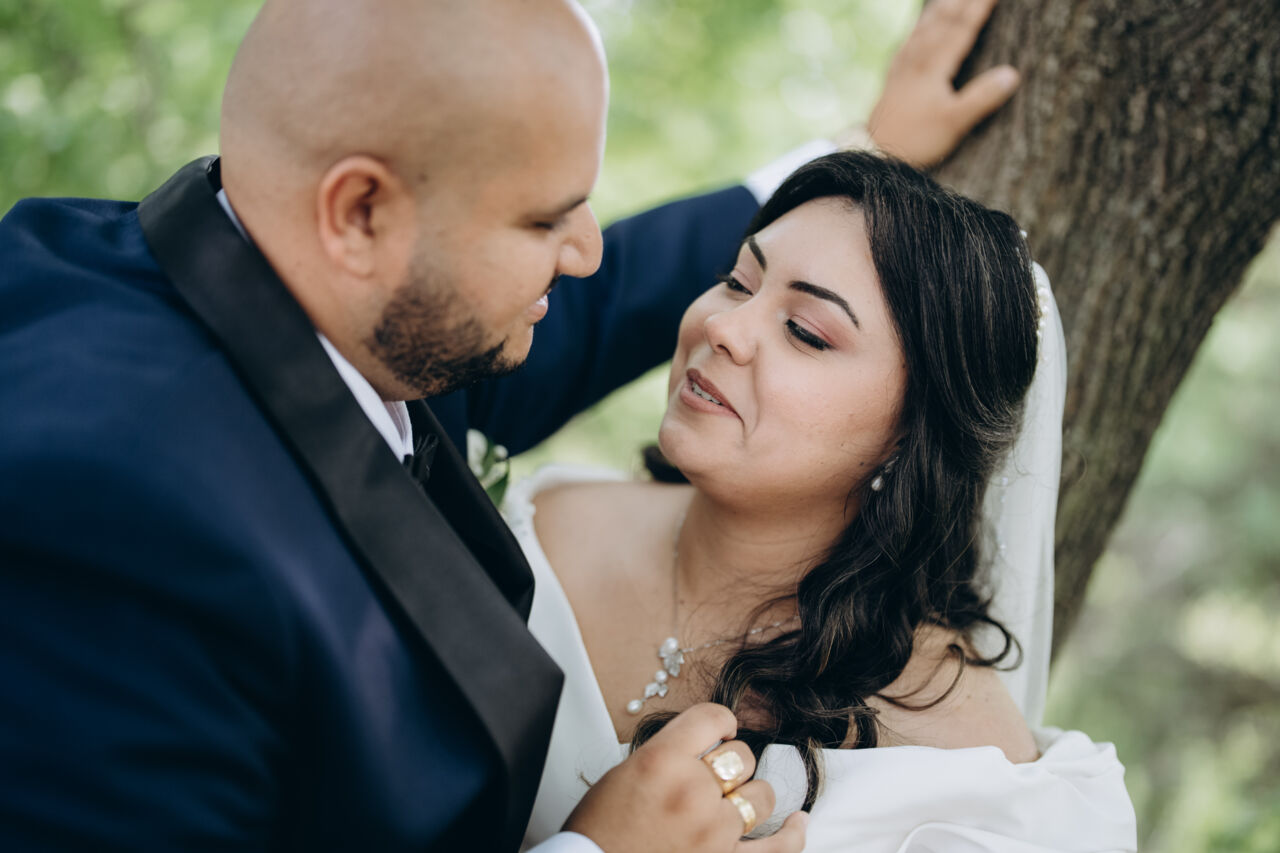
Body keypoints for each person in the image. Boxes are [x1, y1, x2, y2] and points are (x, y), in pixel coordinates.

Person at [0, 0, 1022, 850]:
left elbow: (568, 312)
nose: (583, 255)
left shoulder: (237, 280)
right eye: (542, 220)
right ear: (359, 214)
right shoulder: (114, 527)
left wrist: (857, 159)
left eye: (801, 327)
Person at [506, 152, 1139, 851]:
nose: (724, 328)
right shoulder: (537, 518)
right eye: (737, 282)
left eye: (805, 331)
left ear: (911, 434)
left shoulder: (966, 777)